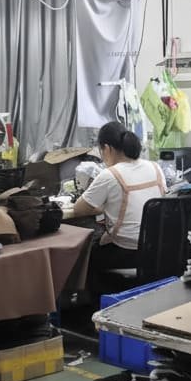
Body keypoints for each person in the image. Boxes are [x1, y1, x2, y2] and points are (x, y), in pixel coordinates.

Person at [71, 121, 167, 287]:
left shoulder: (110, 174)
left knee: (87, 253)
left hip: (127, 250)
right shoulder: (156, 168)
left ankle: (92, 306)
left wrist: (102, 207)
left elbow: (79, 209)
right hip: (157, 248)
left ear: (107, 148)